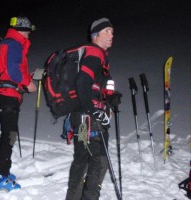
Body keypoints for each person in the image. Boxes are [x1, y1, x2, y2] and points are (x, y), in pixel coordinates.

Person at [65, 18, 122, 200]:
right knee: (96, 162)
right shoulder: (95, 54)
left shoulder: (99, 56)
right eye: (107, 31)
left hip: (85, 118)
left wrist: (109, 98)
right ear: (95, 35)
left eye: (112, 31)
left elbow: (95, 86)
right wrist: (92, 110)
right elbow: (83, 82)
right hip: (87, 119)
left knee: (84, 161)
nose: (112, 35)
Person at [0, 16, 37, 192]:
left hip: (3, 93)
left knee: (6, 133)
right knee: (10, 135)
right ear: (23, 31)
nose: (29, 35)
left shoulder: (8, 42)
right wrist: (28, 83)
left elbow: (10, 70)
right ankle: (0, 176)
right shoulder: (14, 44)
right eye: (29, 31)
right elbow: (12, 71)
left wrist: (25, 77)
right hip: (7, 95)